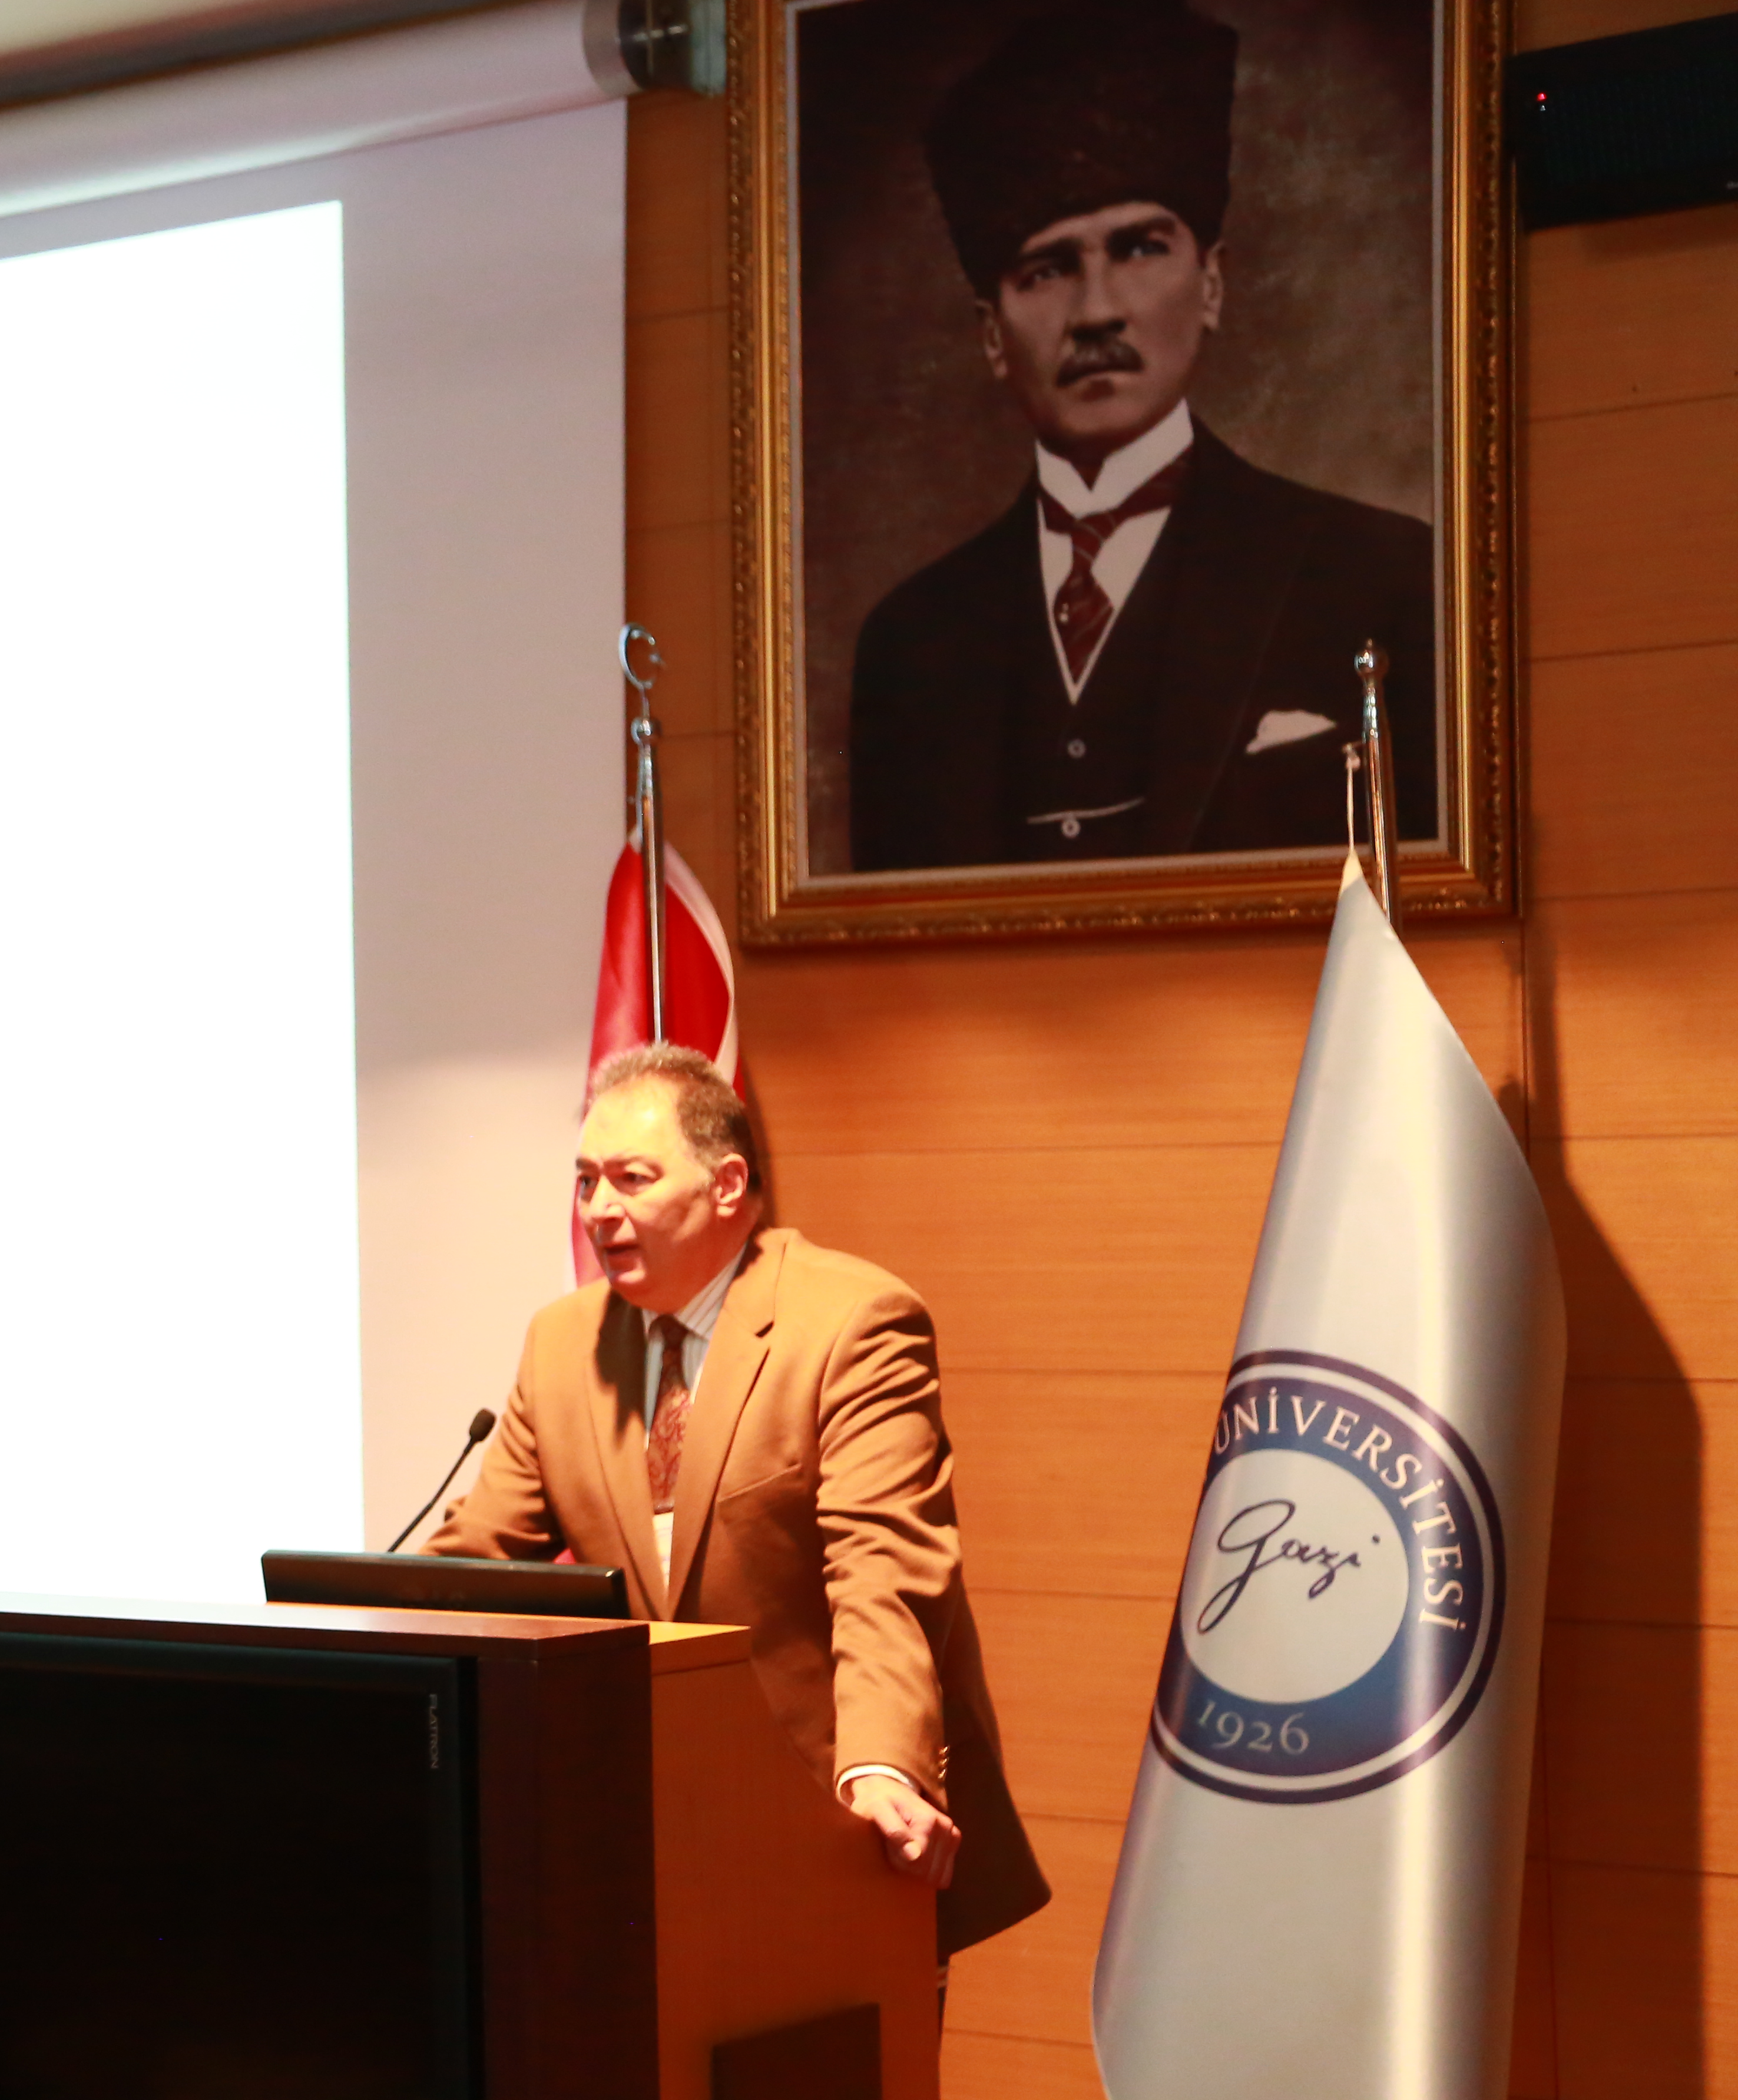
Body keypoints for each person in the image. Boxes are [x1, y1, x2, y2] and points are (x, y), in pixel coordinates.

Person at [426, 1044, 1049, 1957]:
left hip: (831, 1812)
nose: (599, 1209)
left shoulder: (852, 1320)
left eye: (633, 1178)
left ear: (726, 1185)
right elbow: (478, 1566)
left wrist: (880, 1769)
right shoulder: (562, 1342)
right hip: (642, 1830)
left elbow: (883, 1573)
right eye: (587, 1181)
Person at [845, 0, 1436, 874]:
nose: (1096, 312)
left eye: (1138, 249)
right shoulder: (911, 644)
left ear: (1211, 286)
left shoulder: (1380, 577)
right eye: (1047, 270)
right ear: (992, 335)